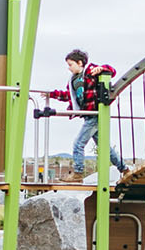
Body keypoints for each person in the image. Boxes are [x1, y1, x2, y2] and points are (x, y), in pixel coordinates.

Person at [47, 49, 127, 180]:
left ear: (80, 63)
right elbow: (69, 96)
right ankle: (124, 169)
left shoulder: (90, 71)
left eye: (71, 64)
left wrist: (102, 68)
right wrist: (52, 94)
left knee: (78, 143)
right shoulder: (73, 80)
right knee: (104, 146)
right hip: (88, 115)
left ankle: (78, 173)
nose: (69, 68)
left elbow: (111, 71)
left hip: (95, 114)